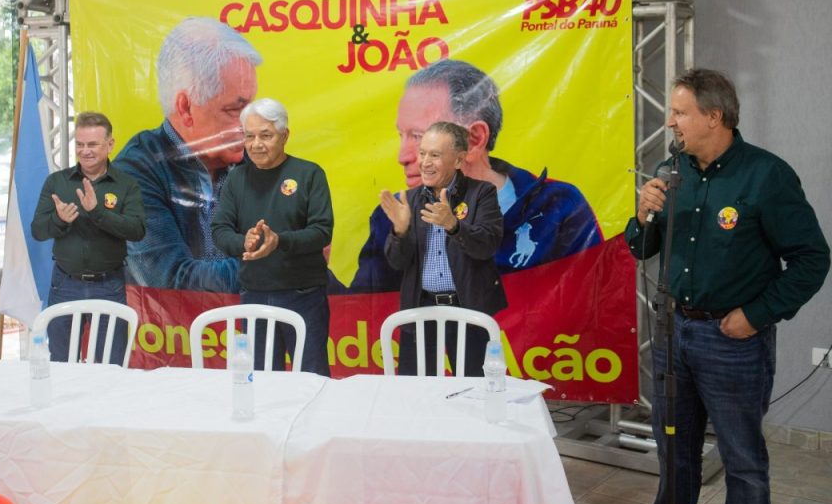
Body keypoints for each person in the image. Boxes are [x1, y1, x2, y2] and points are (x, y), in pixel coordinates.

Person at [624, 69, 829, 504]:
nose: (670, 123)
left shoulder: (767, 175)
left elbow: (812, 259)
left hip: (733, 340)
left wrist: (756, 315)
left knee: (743, 462)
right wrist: (642, 216)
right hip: (673, 334)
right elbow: (641, 248)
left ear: (714, 116)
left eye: (679, 113)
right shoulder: (669, 170)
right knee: (674, 454)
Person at [350, 59, 601, 292]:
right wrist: (317, 269)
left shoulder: (558, 208)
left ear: (473, 140)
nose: (402, 156)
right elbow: (365, 313)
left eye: (418, 136)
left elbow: (593, 305)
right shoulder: (394, 215)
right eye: (401, 135)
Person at [113, 17, 261, 293]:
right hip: (170, 335)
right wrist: (275, 265)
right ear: (185, 108)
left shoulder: (254, 162)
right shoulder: (135, 173)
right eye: (234, 110)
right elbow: (174, 284)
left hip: (248, 333)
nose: (252, 122)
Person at [211, 98, 334, 376]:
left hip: (303, 295)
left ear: (285, 135)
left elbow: (322, 230)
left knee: (311, 377)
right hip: (254, 294)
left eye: (266, 135)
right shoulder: (236, 179)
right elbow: (219, 230)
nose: (256, 144)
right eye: (249, 136)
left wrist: (280, 242)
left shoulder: (309, 174)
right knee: (261, 379)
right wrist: (243, 241)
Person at [381, 121, 505, 376]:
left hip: (468, 309)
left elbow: (487, 245)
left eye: (435, 155)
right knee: (416, 394)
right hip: (420, 309)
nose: (424, 162)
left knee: (473, 389)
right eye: (422, 153)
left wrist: (454, 225)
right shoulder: (409, 200)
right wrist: (400, 232)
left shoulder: (481, 193)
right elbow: (396, 263)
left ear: (459, 160)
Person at [31, 111, 145, 365]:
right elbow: (38, 230)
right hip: (65, 284)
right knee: (62, 363)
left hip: (109, 286)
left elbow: (137, 230)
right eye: (80, 144)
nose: (85, 151)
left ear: (110, 144)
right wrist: (59, 220)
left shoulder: (126, 185)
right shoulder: (57, 183)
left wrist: (97, 213)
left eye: (92, 144)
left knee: (110, 364)